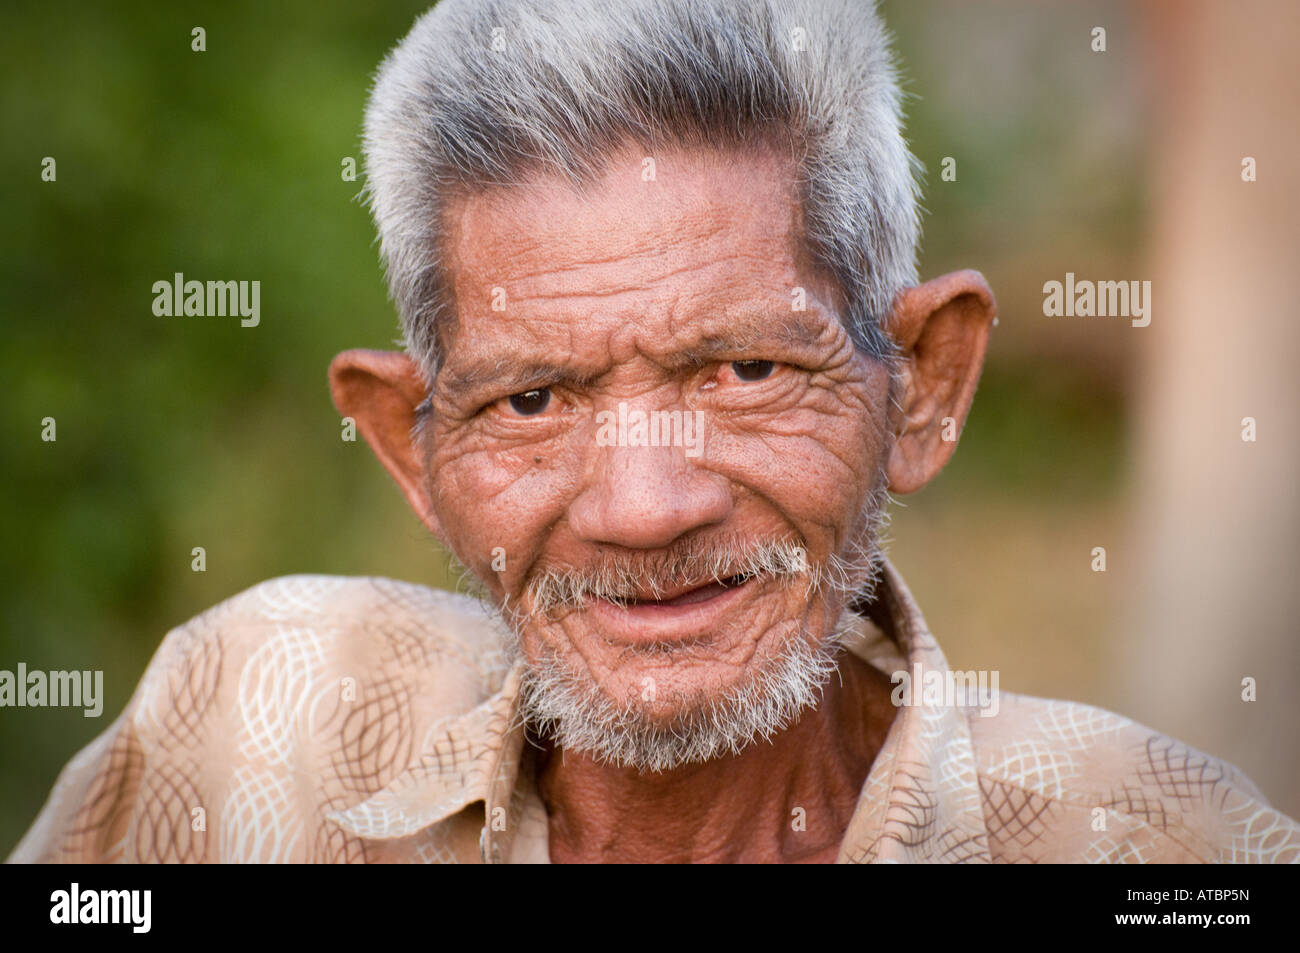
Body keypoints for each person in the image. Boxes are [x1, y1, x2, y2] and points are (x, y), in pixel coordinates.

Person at [11, 0, 1298, 863]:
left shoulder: (1161, 849)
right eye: (530, 401)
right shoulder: (248, 724)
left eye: (743, 368)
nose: (641, 505)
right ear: (411, 444)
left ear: (923, 384)